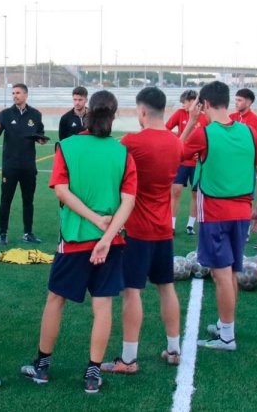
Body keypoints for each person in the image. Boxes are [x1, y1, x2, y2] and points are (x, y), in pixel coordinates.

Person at [21, 91, 137, 394]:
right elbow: (128, 202)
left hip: (74, 240)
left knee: (55, 301)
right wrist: (106, 234)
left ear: (86, 112)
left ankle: (42, 367)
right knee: (103, 306)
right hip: (110, 245)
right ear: (114, 114)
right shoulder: (122, 152)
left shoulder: (69, 147)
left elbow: (61, 190)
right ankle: (92, 374)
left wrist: (95, 222)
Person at [179, 81, 257, 351]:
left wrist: (190, 123)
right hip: (242, 213)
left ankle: (227, 337)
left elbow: (173, 152)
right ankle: (224, 323)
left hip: (215, 213)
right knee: (229, 271)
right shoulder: (250, 132)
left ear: (203, 104)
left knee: (220, 274)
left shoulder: (203, 133)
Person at [102, 86, 184, 374]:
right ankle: (174, 350)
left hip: (137, 230)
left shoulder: (132, 142)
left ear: (142, 111)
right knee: (167, 288)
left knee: (132, 292)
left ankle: (128, 359)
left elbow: (112, 170)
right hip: (163, 228)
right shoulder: (176, 144)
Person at [0, 83, 48, 245]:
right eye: (13, 93)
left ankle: (28, 233)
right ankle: (3, 233)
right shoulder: (5, 114)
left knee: (28, 201)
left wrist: (41, 139)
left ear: (26, 95)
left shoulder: (36, 114)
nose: (15, 95)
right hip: (10, 166)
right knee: (5, 200)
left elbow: (39, 134)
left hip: (29, 166)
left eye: (18, 93)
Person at [165, 90, 206, 235]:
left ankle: (190, 225)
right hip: (181, 161)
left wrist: (200, 152)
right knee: (175, 191)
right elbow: (165, 129)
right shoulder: (179, 114)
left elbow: (208, 138)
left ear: (194, 101)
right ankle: (172, 225)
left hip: (197, 164)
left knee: (196, 194)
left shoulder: (204, 117)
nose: (183, 105)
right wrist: (177, 139)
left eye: (185, 102)